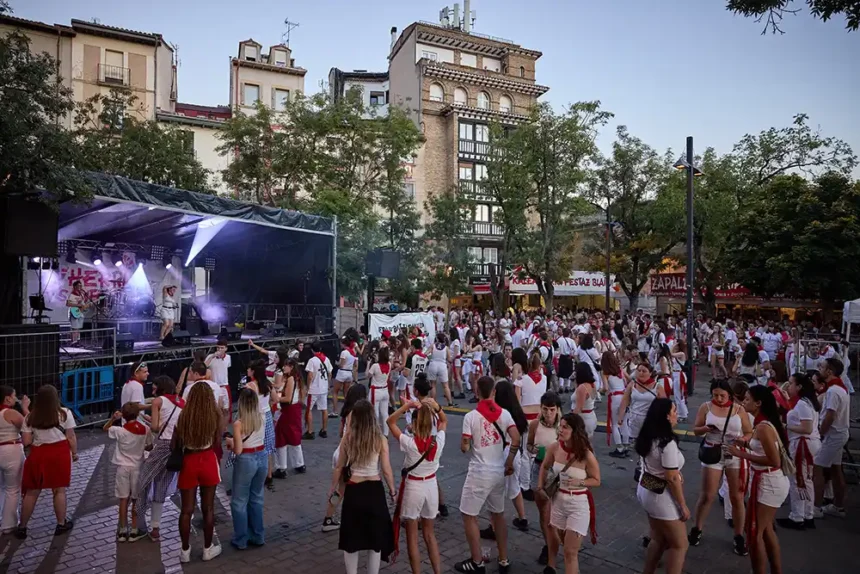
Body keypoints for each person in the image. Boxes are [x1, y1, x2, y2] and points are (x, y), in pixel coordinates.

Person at [455, 375, 521, 574]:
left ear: (477, 393)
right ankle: (503, 559)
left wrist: (466, 444)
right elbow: (516, 438)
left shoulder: (471, 417)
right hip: (498, 471)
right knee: (498, 516)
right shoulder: (505, 414)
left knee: (469, 515)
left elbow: (465, 447)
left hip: (479, 472)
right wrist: (509, 460)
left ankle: (477, 561)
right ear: (493, 392)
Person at [727, 385, 790, 574]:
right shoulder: (762, 423)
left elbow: (774, 459)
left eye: (747, 399)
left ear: (758, 403)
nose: (744, 402)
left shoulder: (763, 426)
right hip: (767, 479)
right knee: (766, 531)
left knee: (754, 533)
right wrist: (744, 442)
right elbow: (763, 448)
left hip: (769, 482)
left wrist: (742, 453)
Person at [688, 379, 753, 555]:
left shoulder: (739, 409)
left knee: (737, 497)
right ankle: (697, 528)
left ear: (729, 394)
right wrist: (706, 428)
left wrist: (743, 440)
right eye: (715, 395)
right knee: (707, 495)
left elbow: (749, 431)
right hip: (712, 453)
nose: (719, 398)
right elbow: (695, 430)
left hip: (735, 454)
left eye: (722, 395)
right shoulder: (706, 407)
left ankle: (739, 535)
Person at [330, 400, 395, 574]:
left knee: (352, 540)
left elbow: (339, 467)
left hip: (354, 491)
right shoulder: (380, 438)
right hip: (375, 491)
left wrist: (333, 490)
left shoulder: (348, 438)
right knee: (375, 542)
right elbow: (387, 470)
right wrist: (393, 491)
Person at [387, 396, 448, 574]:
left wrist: (405, 406)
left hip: (413, 488)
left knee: (412, 538)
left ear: (414, 424)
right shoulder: (439, 441)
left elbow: (390, 422)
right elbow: (444, 420)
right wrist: (437, 407)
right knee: (430, 534)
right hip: (431, 486)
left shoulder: (410, 443)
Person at [537, 413, 600, 574]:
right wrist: (540, 487)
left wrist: (579, 483)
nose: (560, 430)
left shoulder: (586, 455)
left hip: (578, 504)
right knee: (563, 543)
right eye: (561, 426)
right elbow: (544, 466)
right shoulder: (555, 447)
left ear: (575, 431)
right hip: (558, 501)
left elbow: (596, 480)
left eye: (565, 427)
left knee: (570, 552)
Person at [636, 398, 689, 574]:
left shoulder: (648, 435)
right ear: (666, 416)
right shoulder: (667, 443)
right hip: (661, 497)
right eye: (674, 411)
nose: (677, 414)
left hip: (646, 488)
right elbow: (672, 478)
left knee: (658, 538)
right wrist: (682, 506)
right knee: (679, 544)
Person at [16, 385, 77, 539]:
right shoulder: (65, 414)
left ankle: (22, 527)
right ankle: (61, 524)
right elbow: (71, 436)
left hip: (38, 455)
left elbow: (27, 441)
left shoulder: (30, 417)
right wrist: (74, 453)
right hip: (59, 455)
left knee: (32, 492)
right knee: (59, 490)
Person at [175, 383, 223, 563]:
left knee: (186, 510)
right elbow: (217, 441)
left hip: (189, 460)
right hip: (208, 459)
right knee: (208, 507)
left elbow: (176, 443)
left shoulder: (184, 416)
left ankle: (185, 550)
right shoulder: (215, 416)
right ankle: (207, 548)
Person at [481, 379, 530, 541]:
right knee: (515, 488)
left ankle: (494, 527)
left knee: (494, 491)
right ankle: (522, 518)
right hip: (515, 454)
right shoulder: (517, 413)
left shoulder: (499, 413)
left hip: (502, 453)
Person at [135, 375, 183, 541]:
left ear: (160, 388)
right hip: (177, 447)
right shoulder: (180, 401)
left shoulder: (157, 402)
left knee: (144, 482)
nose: (153, 390)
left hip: (162, 445)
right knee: (162, 485)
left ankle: (139, 524)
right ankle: (156, 527)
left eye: (154, 387)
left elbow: (155, 428)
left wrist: (150, 421)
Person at [776, 372, 821, 530]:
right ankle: (807, 514)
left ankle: (797, 516)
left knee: (798, 481)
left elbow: (806, 428)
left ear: (799, 386)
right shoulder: (807, 402)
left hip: (803, 445)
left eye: (791, 384)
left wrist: (786, 427)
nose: (789, 386)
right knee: (806, 481)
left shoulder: (803, 404)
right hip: (809, 444)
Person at [321, 384, 368, 533]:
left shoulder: (346, 412)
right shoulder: (359, 413)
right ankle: (356, 520)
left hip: (339, 451)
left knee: (340, 489)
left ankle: (328, 519)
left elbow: (342, 433)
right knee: (358, 488)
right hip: (349, 455)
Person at [103, 402, 151, 543]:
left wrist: (113, 418)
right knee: (135, 498)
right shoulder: (146, 429)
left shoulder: (120, 430)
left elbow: (105, 428)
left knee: (123, 499)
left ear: (123, 415)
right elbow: (149, 445)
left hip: (122, 468)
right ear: (137, 414)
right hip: (137, 467)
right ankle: (135, 528)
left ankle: (123, 529)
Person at [226, 388, 267, 549]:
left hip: (246, 460)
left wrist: (230, 442)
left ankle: (241, 539)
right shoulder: (262, 416)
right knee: (256, 498)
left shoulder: (239, 423)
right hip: (262, 456)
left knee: (239, 501)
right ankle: (258, 535)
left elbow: (238, 450)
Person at [526, 391, 562, 565]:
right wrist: (533, 449)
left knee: (554, 513)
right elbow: (529, 445)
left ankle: (553, 546)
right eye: (545, 409)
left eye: (552, 410)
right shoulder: (534, 424)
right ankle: (548, 546)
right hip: (538, 468)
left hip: (556, 472)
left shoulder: (562, 427)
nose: (548, 413)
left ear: (558, 410)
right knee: (544, 513)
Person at [812, 357, 850, 518]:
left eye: (822, 367)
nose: (819, 369)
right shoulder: (839, 388)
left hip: (833, 434)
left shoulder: (834, 390)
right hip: (838, 433)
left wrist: (821, 432)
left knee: (818, 467)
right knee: (835, 469)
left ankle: (816, 507)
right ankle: (838, 506)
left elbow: (830, 415)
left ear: (830, 371)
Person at [243, 360, 278, 490]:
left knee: (254, 445)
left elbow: (246, 405)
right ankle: (268, 475)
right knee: (267, 447)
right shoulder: (267, 384)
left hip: (255, 417)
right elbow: (275, 399)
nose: (247, 371)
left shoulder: (250, 386)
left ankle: (254, 476)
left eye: (249, 369)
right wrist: (267, 405)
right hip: (267, 416)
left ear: (253, 371)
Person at [0, 386, 28, 534]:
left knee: (1, 487)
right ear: (7, 398)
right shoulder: (11, 413)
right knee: (12, 488)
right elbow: (28, 426)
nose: (16, 398)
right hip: (11, 450)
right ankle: (8, 524)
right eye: (14, 396)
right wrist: (24, 408)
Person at [274, 358, 305, 478]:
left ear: (291, 367)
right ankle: (299, 464)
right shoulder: (295, 377)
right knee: (293, 436)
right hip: (293, 410)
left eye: (286, 366)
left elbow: (287, 398)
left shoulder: (291, 379)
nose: (283, 368)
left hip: (289, 410)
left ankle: (281, 467)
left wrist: (276, 399)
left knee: (281, 437)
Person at [601, 351, 629, 456]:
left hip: (615, 398)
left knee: (615, 424)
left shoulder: (605, 373)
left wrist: (601, 391)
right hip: (624, 396)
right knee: (625, 422)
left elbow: (606, 388)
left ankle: (619, 448)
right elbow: (629, 380)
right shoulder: (620, 370)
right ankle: (626, 446)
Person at [305, 343, 333, 439]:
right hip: (323, 388)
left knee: (309, 409)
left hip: (314, 389)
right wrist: (328, 384)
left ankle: (310, 431)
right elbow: (330, 373)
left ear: (312, 350)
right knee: (324, 409)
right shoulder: (326, 359)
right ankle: (324, 430)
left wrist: (308, 387)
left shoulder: (312, 361)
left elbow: (310, 375)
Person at [514, 352, 547, 421]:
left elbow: (516, 400)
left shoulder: (520, 380)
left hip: (526, 413)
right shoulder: (544, 378)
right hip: (540, 413)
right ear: (539, 366)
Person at [367, 347, 392, 435]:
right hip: (385, 390)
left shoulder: (375, 366)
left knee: (375, 413)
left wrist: (368, 363)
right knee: (385, 413)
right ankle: (386, 433)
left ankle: (376, 433)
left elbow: (367, 375)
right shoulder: (389, 364)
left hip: (375, 391)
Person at [205, 339, 232, 420]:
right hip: (214, 386)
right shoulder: (210, 356)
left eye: (222, 348)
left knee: (226, 409)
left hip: (224, 386)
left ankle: (225, 428)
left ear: (226, 349)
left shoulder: (228, 357)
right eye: (218, 348)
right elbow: (203, 366)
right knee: (215, 409)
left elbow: (227, 367)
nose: (219, 350)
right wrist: (213, 356)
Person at [426, 333, 455, 407]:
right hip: (442, 365)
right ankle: (450, 402)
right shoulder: (446, 348)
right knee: (445, 385)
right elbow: (449, 359)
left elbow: (426, 353)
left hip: (433, 364)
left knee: (433, 385)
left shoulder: (433, 346)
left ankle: (433, 402)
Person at [571, 362, 598, 439]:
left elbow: (579, 408)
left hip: (582, 419)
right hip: (591, 415)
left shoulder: (582, 388)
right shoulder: (592, 384)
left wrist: (569, 420)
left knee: (580, 445)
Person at [333, 337, 357, 416]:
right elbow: (355, 365)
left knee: (335, 392)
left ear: (343, 344)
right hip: (349, 373)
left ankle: (335, 411)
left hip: (342, 372)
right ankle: (348, 410)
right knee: (346, 393)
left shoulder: (344, 352)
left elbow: (341, 365)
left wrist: (336, 363)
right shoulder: (353, 352)